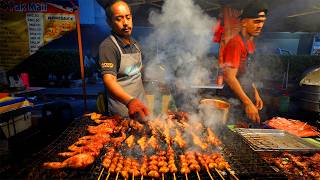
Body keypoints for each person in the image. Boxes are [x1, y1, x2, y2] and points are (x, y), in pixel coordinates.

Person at [98, 0, 149, 120]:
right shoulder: (108, 46)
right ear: (109, 22)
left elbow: (138, 71)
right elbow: (109, 80)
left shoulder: (135, 44)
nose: (125, 23)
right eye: (119, 18)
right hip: (123, 111)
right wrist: (130, 101)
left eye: (128, 17)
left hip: (141, 107)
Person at [221, 1, 268, 123]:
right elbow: (229, 77)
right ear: (244, 22)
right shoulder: (236, 44)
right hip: (234, 100)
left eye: (262, 21)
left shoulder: (249, 43)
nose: (260, 25)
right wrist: (247, 103)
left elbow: (245, 73)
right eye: (256, 21)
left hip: (244, 97)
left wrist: (255, 93)